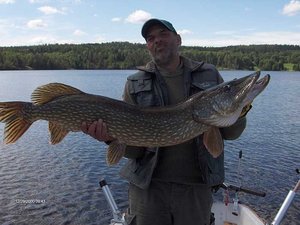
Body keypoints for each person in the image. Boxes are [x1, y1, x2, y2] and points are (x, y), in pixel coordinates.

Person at [82, 19, 249, 225]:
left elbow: (231, 134)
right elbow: (136, 152)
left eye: (163, 34)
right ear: (148, 47)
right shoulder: (135, 83)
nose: (157, 40)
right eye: (150, 38)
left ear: (178, 39)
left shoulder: (209, 74)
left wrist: (240, 110)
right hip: (148, 190)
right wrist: (110, 139)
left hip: (196, 188)